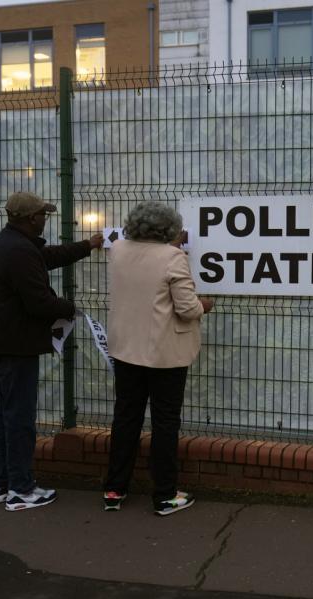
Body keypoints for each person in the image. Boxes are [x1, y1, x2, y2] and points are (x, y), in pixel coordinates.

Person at [0, 191, 103, 511]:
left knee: (7, 414)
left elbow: (50, 257)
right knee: (19, 418)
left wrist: (87, 246)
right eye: (43, 215)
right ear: (31, 219)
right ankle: (21, 489)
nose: (46, 218)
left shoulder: (9, 242)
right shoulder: (19, 250)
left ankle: (3, 484)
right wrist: (71, 309)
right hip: (14, 345)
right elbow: (39, 303)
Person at [103, 201, 214, 516]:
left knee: (126, 418)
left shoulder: (119, 250)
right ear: (170, 230)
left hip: (126, 349)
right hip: (164, 353)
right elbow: (187, 308)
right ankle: (164, 495)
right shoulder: (173, 257)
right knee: (165, 423)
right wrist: (205, 304)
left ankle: (114, 489)